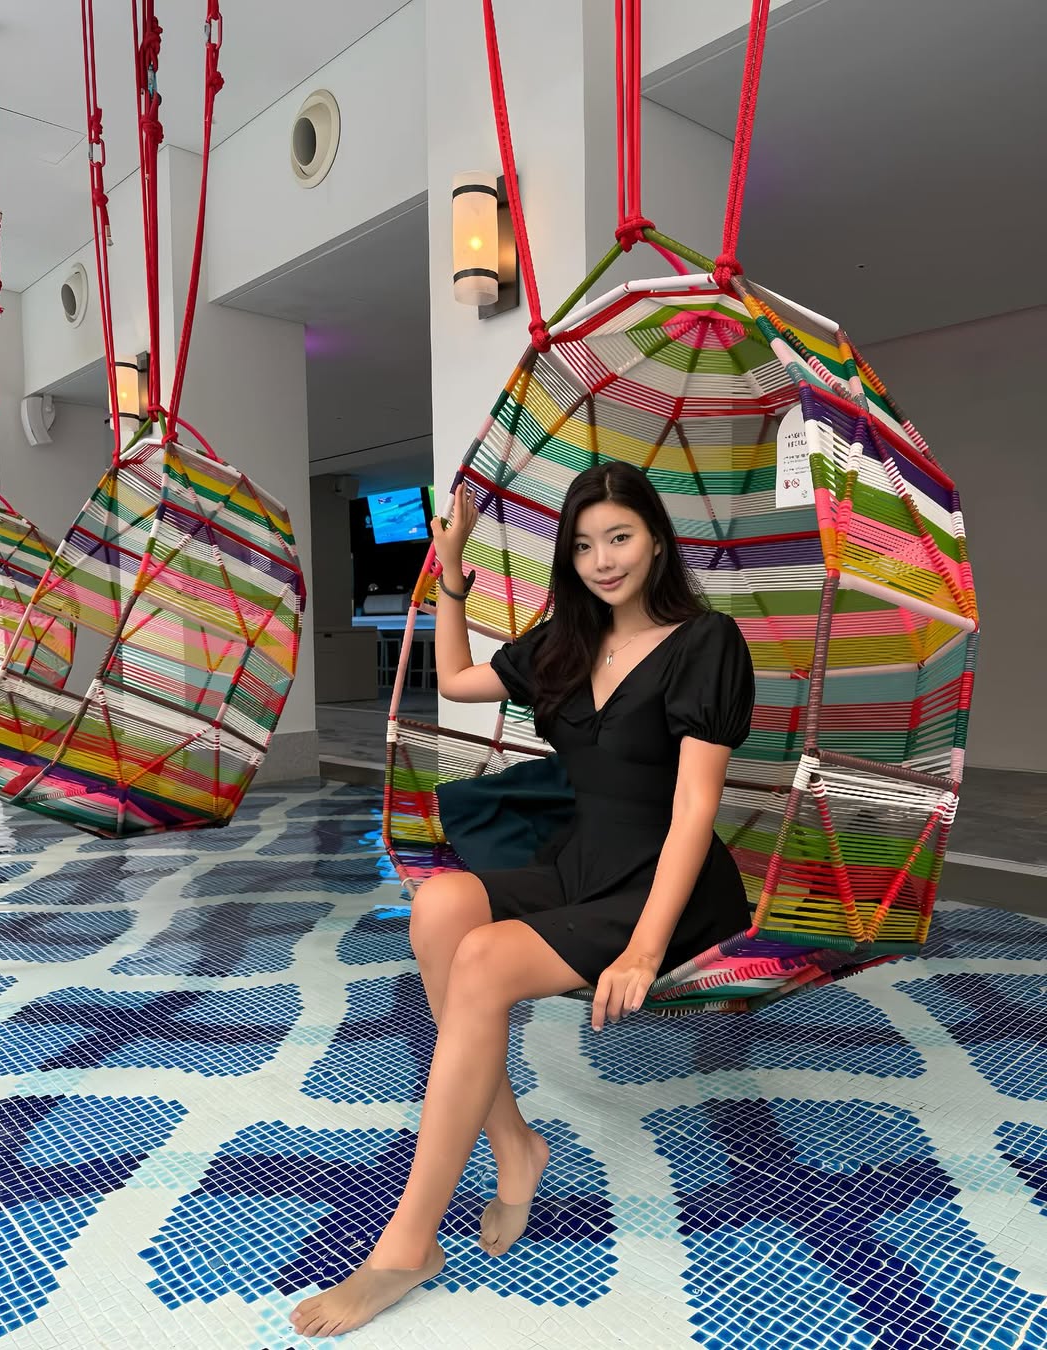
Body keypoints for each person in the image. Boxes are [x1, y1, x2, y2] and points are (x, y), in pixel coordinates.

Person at [290, 461, 755, 1339]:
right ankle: (515, 1147)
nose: (602, 560)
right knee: (440, 908)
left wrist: (645, 950)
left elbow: (696, 808)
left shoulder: (706, 642)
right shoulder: (566, 645)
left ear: (657, 540)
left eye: (619, 537)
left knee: (483, 960)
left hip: (669, 884)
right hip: (582, 861)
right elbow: (458, 679)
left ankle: (406, 1246)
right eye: (583, 546)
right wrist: (451, 571)